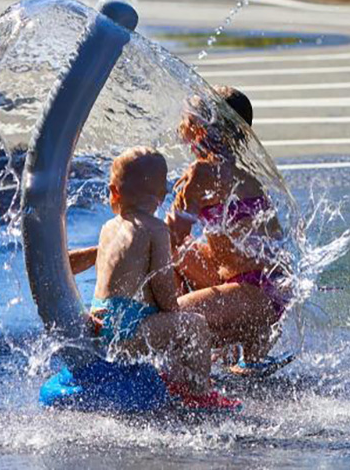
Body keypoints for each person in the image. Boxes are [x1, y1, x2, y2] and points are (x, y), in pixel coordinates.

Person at [80, 145, 239, 411]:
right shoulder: (156, 230)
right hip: (128, 332)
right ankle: (200, 393)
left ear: (114, 192)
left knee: (169, 327)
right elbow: (163, 284)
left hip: (102, 321)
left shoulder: (108, 228)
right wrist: (173, 312)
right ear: (163, 195)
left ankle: (175, 380)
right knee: (193, 326)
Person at [166, 86, 292, 375]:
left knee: (165, 321)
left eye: (186, 122)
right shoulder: (242, 175)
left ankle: (187, 378)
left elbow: (170, 235)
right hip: (268, 291)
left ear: (201, 128)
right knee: (174, 260)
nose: (179, 130)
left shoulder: (202, 173)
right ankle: (239, 348)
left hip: (252, 293)